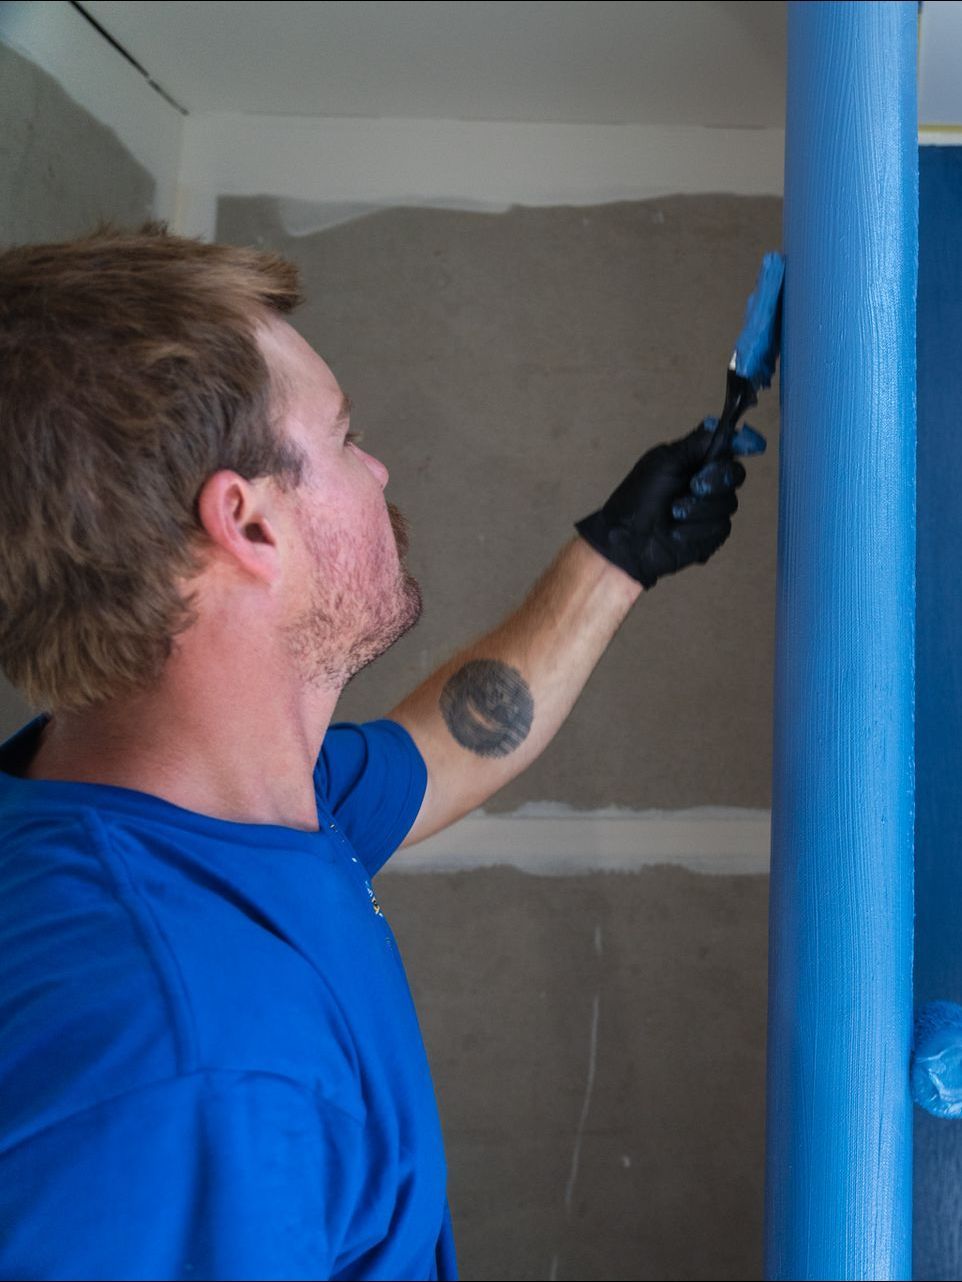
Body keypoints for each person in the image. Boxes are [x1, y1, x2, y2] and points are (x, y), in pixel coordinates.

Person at [0, 225, 764, 1281]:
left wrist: (619, 556)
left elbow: (448, 746)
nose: (378, 467)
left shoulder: (182, 807)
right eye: (346, 436)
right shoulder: (195, 1067)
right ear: (248, 526)